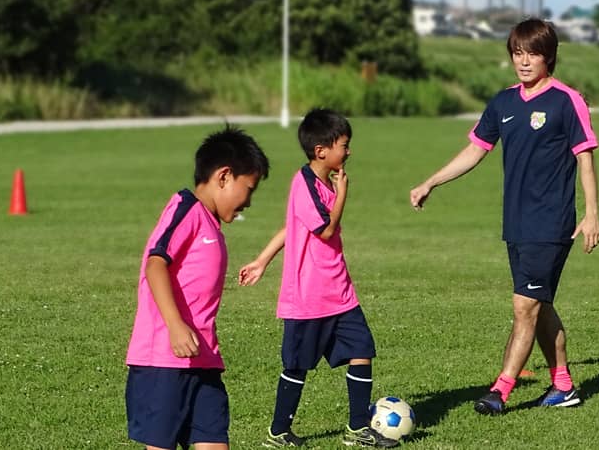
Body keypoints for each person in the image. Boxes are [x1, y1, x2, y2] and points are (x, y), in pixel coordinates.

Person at [408, 18, 599, 415]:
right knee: (539, 304)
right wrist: (432, 181)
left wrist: (592, 214)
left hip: (551, 223)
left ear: (549, 56)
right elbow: (475, 151)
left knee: (524, 306)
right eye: (517, 53)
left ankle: (500, 389)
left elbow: (585, 158)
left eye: (532, 53)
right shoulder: (504, 102)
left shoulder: (567, 100)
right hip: (516, 222)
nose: (524, 61)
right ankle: (563, 385)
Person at [238, 109, 398, 448]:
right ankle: (278, 432)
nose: (349, 151)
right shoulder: (305, 184)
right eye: (344, 145)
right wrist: (343, 193)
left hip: (339, 291)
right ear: (321, 150)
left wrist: (261, 260)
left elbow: (291, 227)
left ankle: (357, 428)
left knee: (362, 350)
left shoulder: (324, 182)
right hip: (308, 297)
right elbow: (325, 230)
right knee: (297, 366)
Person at [125, 125, 270, 450]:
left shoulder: (210, 223)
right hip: (164, 360)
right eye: (249, 188)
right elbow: (155, 264)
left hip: (203, 358)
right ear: (224, 176)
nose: (249, 200)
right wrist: (176, 327)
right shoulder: (186, 209)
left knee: (215, 441)